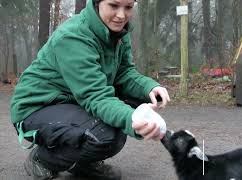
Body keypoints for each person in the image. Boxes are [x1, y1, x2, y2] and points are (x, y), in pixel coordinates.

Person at [10, 0, 170, 179]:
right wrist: (131, 118)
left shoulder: (118, 31)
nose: (121, 15)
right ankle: (43, 159)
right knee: (105, 135)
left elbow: (124, 72)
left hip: (72, 100)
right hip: (37, 108)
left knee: (140, 101)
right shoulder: (73, 36)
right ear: (97, 2)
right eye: (114, 5)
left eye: (128, 7)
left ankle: (81, 163)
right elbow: (95, 95)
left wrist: (150, 87)